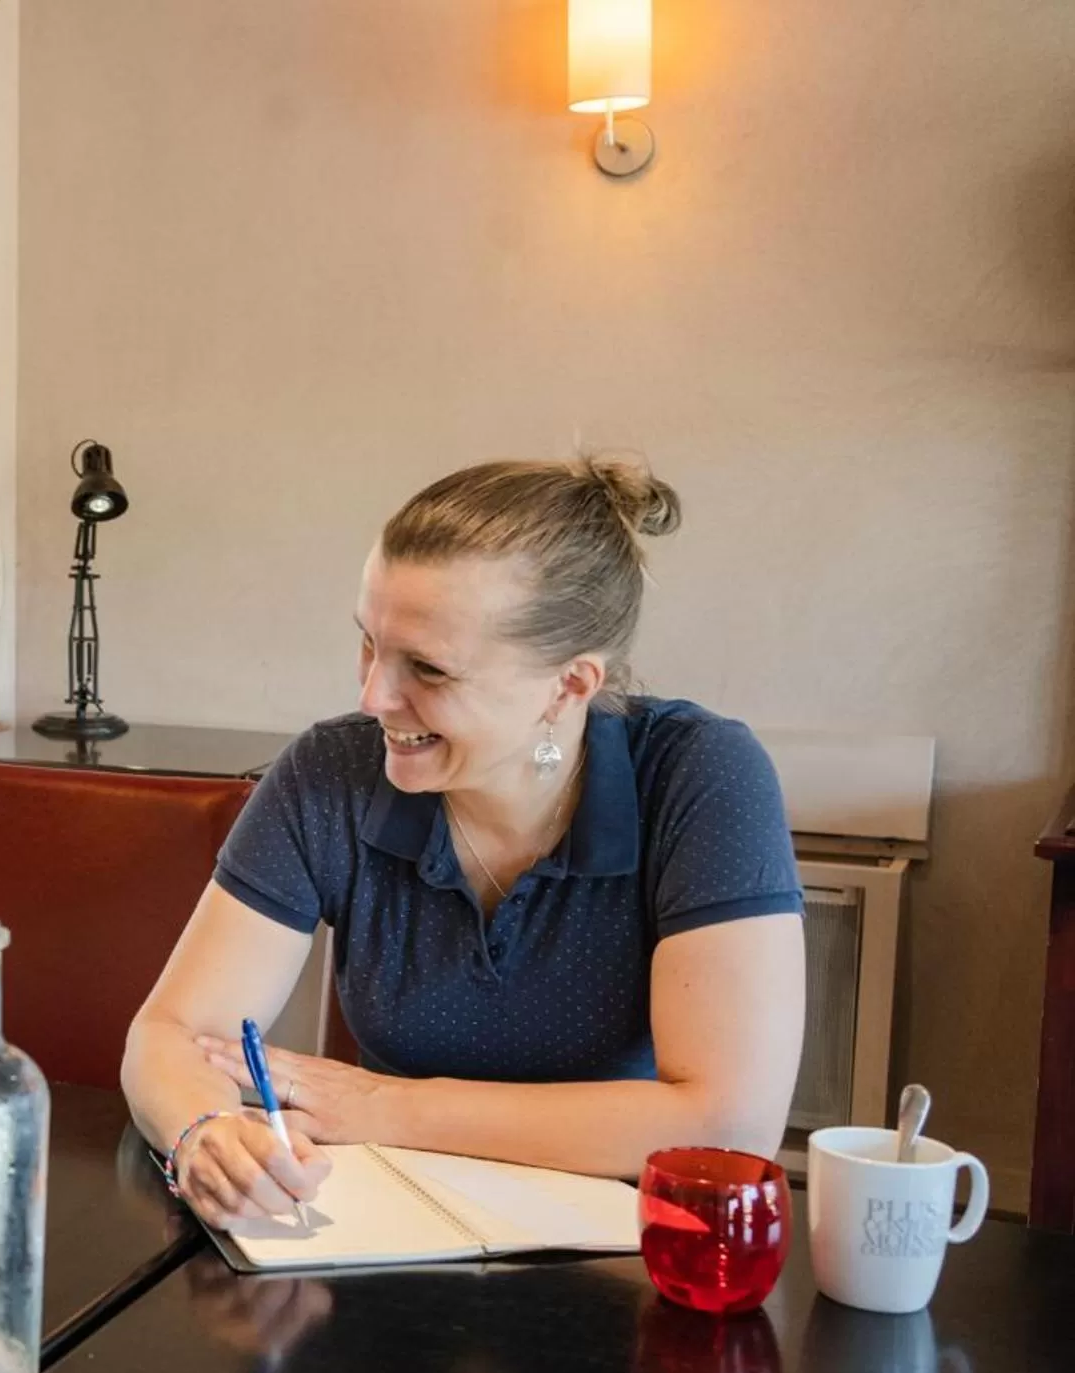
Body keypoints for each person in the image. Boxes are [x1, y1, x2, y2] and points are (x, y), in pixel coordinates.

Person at [125, 458, 805, 1229]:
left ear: (570, 685)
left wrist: (390, 1105)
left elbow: (729, 1123)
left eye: (427, 667)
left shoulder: (701, 775)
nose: (373, 696)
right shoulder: (331, 771)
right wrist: (203, 1132)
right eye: (369, 644)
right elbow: (166, 1035)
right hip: (378, 1237)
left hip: (615, 1257)